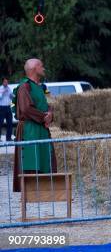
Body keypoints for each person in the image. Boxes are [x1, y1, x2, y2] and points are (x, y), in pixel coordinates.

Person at [12, 59, 56, 192]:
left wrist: (50, 114)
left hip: (41, 128)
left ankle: (44, 191)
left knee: (44, 157)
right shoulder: (24, 86)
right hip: (29, 130)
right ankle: (30, 192)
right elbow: (26, 109)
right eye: (41, 65)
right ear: (34, 68)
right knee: (31, 159)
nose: (44, 68)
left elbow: (46, 105)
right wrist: (44, 117)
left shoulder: (40, 87)